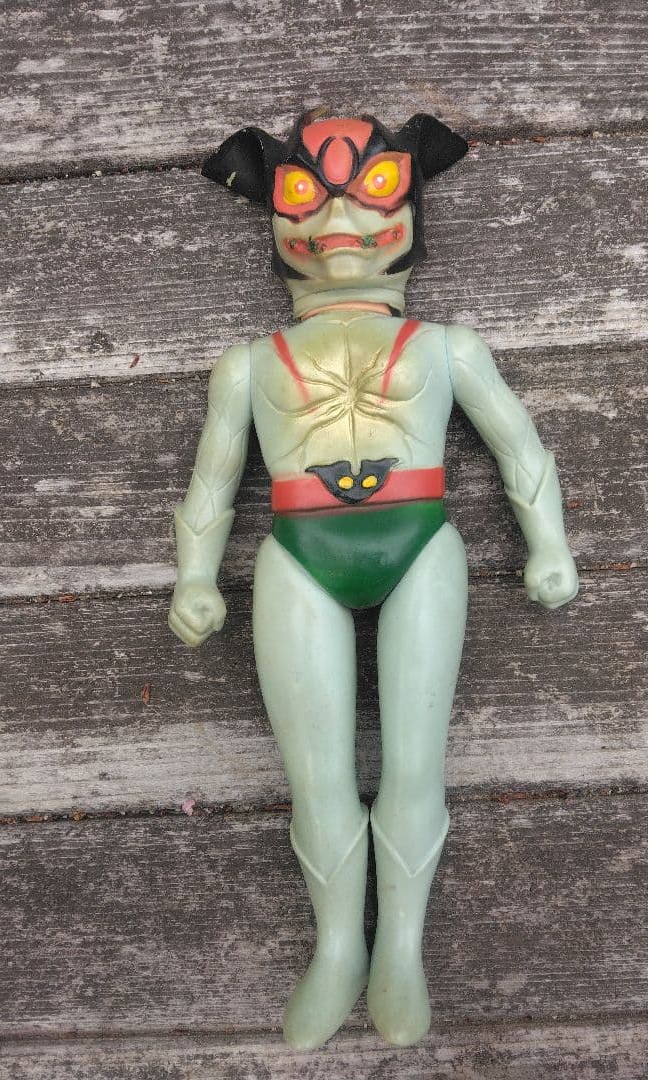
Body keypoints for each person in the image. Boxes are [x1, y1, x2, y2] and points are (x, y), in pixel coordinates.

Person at [168, 110, 579, 1049]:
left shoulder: (448, 348)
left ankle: (400, 945)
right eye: (309, 203)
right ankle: (337, 947)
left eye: (371, 199)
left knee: (414, 762)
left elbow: (519, 445)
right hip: (297, 555)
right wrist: (195, 573)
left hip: (419, 544)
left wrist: (549, 542)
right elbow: (212, 479)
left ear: (408, 218)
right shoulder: (248, 367)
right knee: (314, 777)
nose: (340, 228)